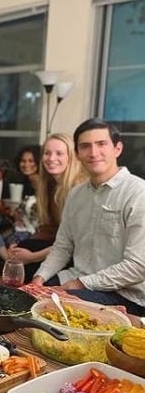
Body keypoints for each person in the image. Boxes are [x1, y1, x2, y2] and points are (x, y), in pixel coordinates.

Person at [32, 118, 145, 316]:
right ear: (77, 153)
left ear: (117, 149)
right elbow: (62, 247)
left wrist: (80, 284)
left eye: (101, 144)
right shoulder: (76, 195)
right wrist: (38, 279)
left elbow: (138, 267)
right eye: (85, 146)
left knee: (49, 308)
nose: (93, 153)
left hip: (124, 294)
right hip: (77, 279)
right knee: (27, 297)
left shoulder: (138, 193)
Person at [8, 134, 86, 280]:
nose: (51, 158)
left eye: (59, 153)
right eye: (47, 153)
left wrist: (32, 257)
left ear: (71, 156)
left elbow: (72, 243)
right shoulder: (48, 185)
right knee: (14, 258)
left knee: (24, 266)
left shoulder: (79, 188)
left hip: (75, 255)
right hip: (55, 243)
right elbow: (48, 229)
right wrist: (19, 245)